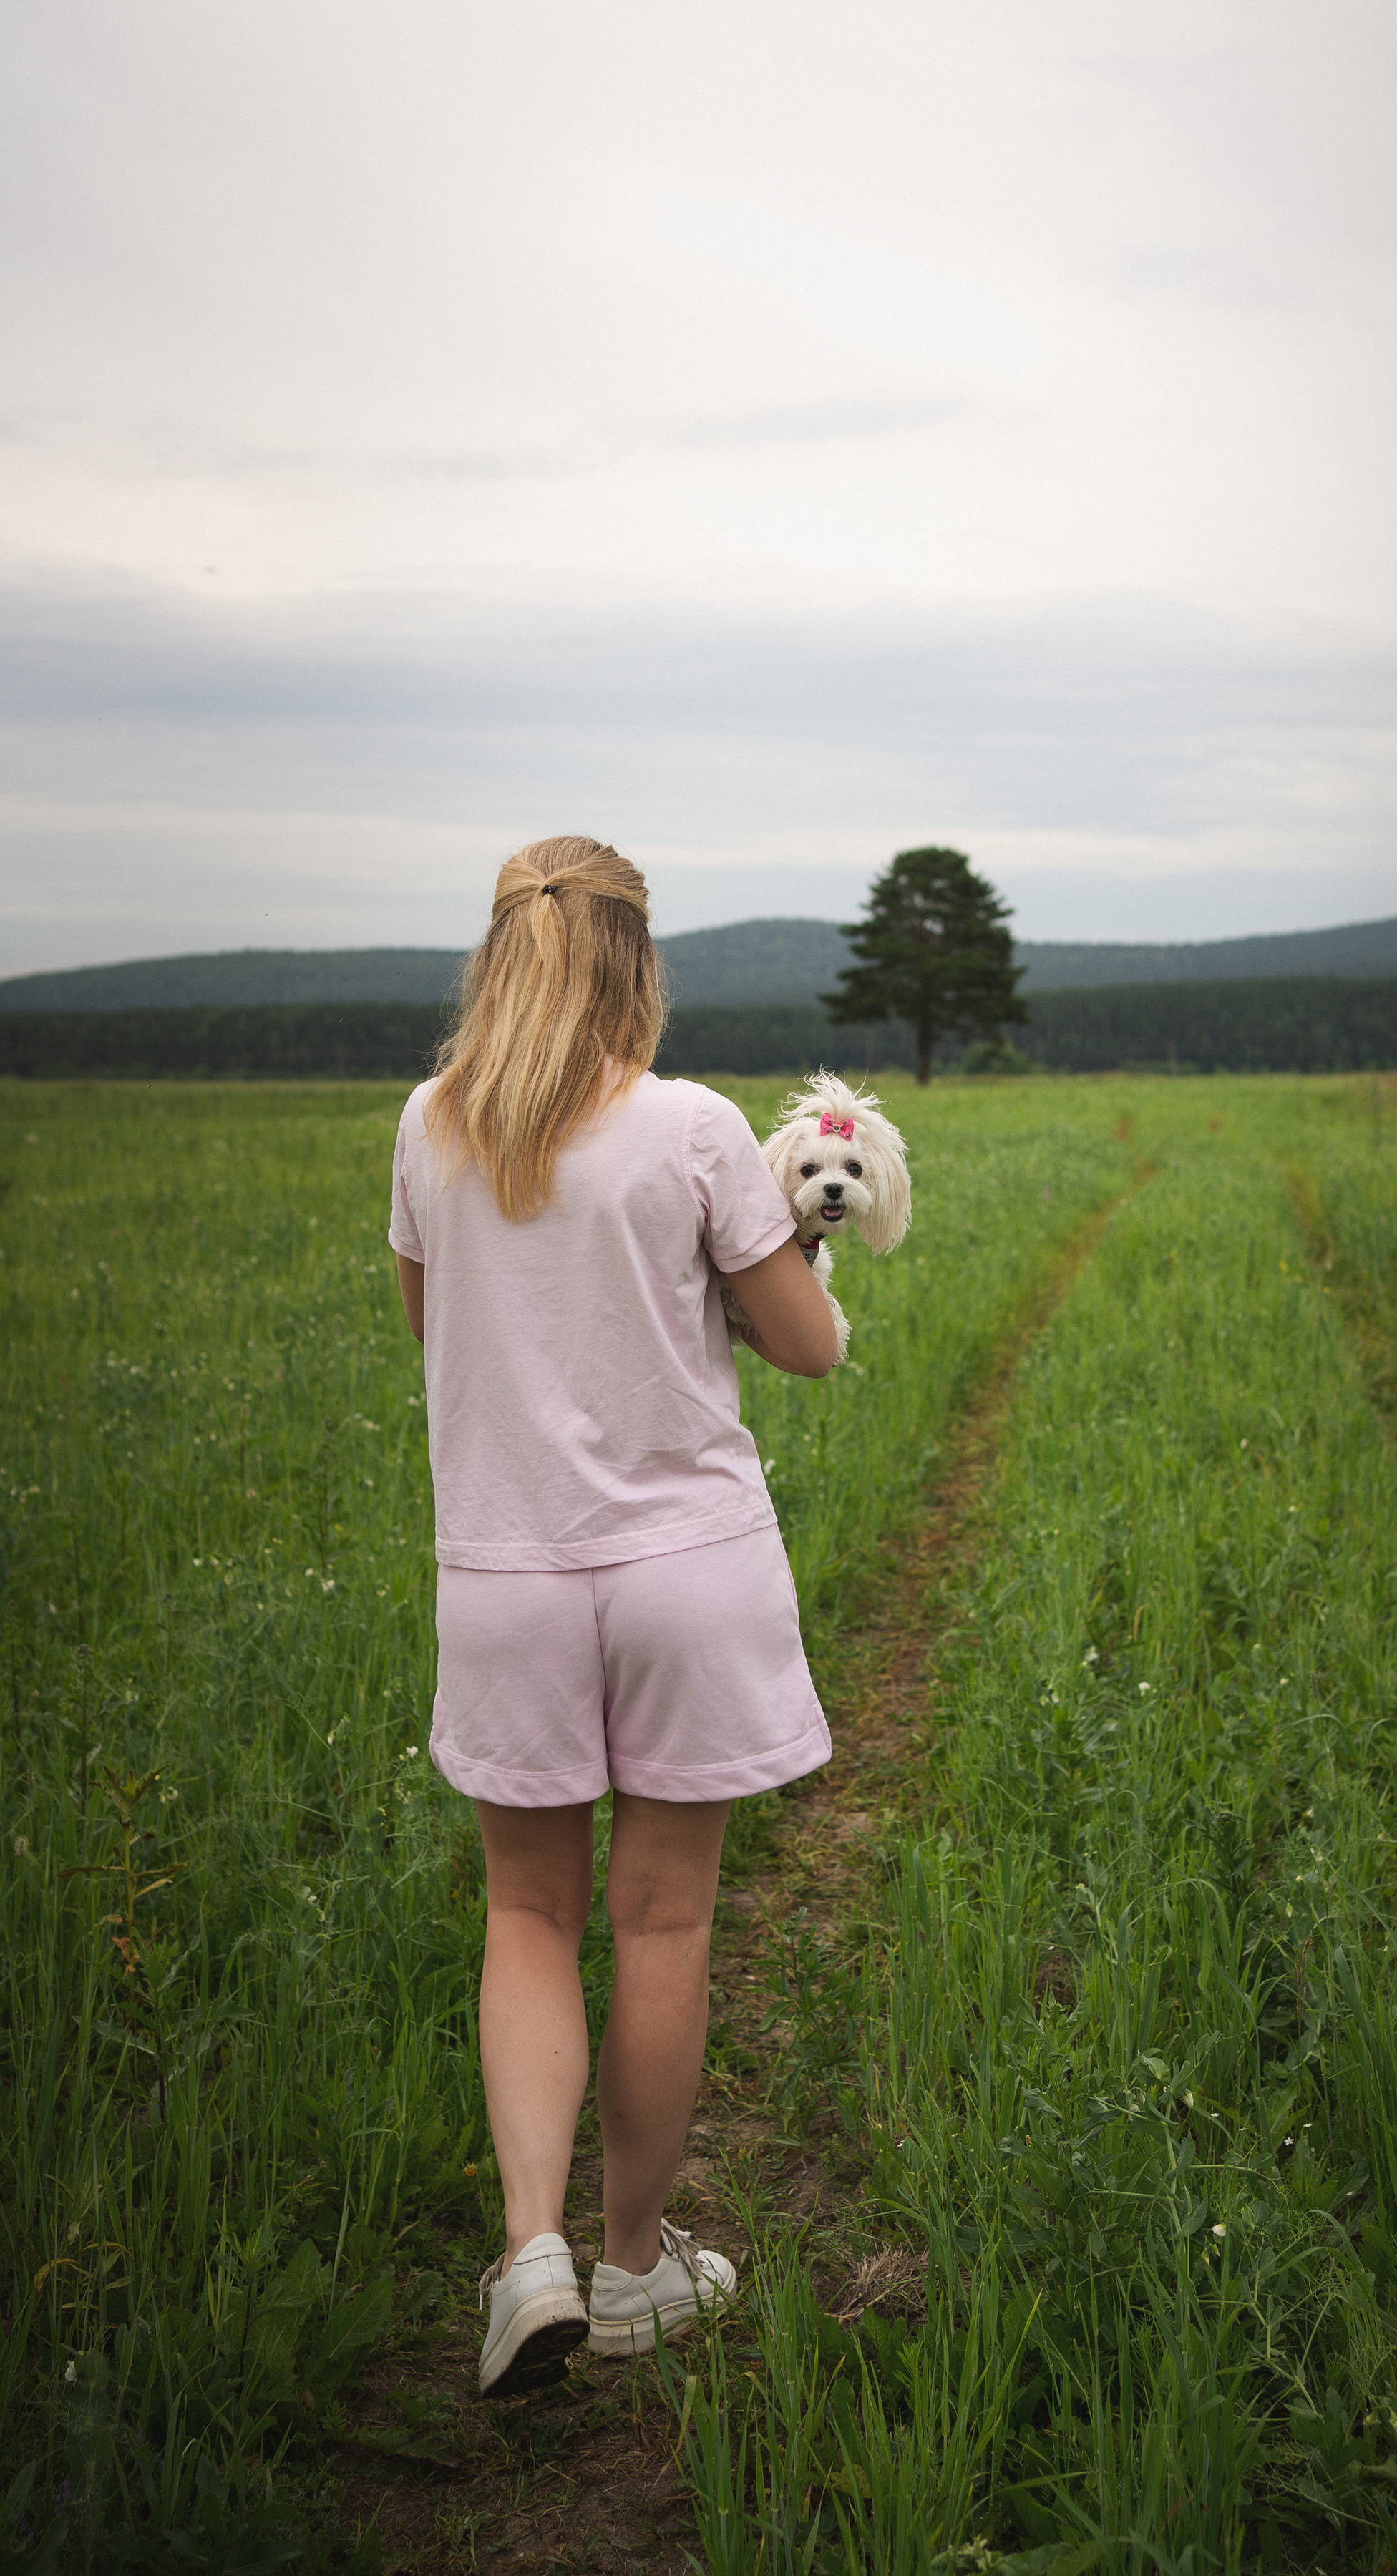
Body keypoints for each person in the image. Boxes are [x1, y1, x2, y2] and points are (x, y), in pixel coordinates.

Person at [389, 834, 841, 2398]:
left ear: (500, 957)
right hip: (683, 1572)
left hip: (504, 1581)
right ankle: (637, 2267)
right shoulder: (698, 1129)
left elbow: (439, 1336)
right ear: (632, 964)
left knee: (527, 1916)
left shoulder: (427, 1129)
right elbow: (807, 1348)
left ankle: (527, 2255)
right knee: (661, 1921)